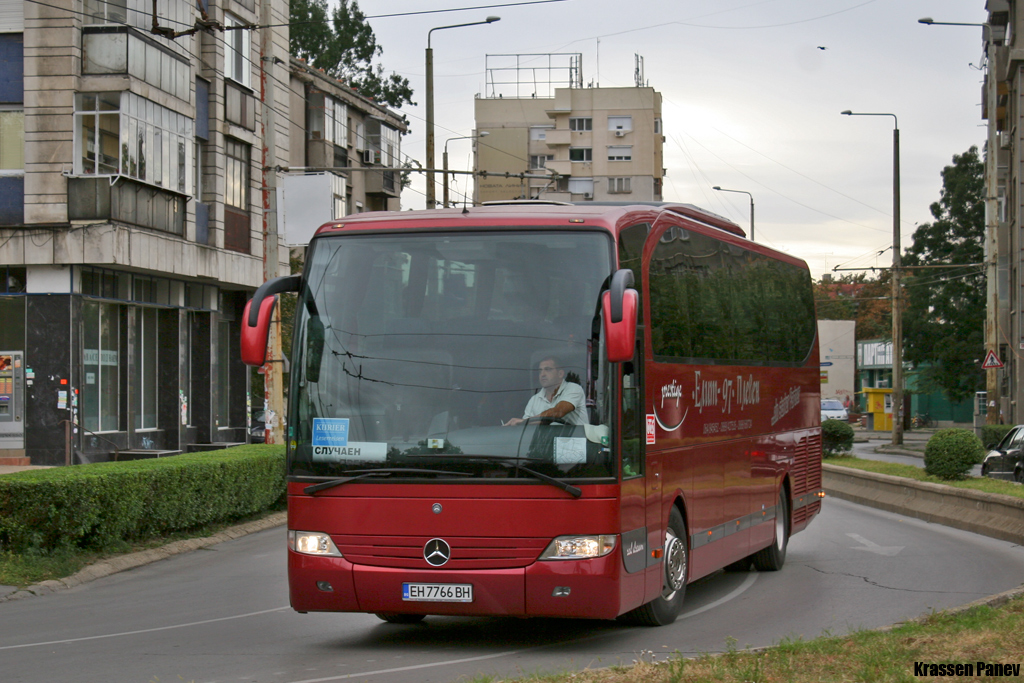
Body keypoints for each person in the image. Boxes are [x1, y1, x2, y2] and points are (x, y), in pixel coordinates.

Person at [504, 356, 587, 426]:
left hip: (576, 443)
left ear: (560, 374)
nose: (542, 374)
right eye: (540, 371)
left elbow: (559, 411)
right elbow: (527, 429)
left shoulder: (574, 389)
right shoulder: (534, 400)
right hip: (545, 444)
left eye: (548, 369)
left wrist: (525, 421)